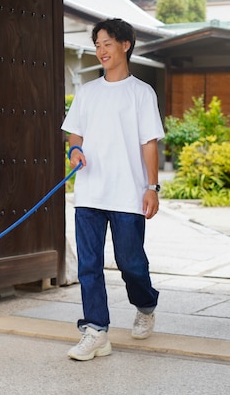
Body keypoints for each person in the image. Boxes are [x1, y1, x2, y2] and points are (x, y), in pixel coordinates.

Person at [61, 18, 165, 361]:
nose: (101, 50)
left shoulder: (141, 93)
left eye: (107, 43)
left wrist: (152, 187)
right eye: (97, 44)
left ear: (125, 45)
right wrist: (74, 149)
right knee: (88, 265)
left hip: (128, 194)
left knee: (130, 263)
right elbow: (75, 133)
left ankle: (146, 304)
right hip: (90, 193)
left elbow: (149, 143)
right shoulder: (88, 92)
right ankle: (96, 330)